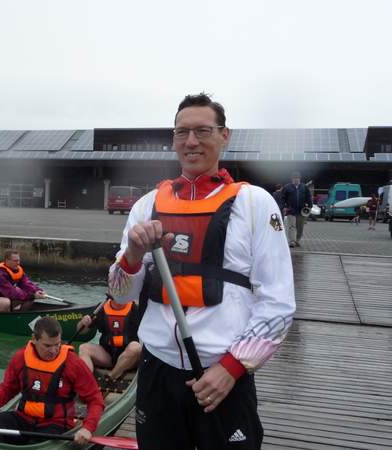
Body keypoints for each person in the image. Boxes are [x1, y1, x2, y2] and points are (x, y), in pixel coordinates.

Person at [106, 93, 296, 449]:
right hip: (157, 370)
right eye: (182, 132)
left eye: (203, 130)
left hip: (222, 375)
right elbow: (119, 295)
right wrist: (131, 253)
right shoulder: (147, 206)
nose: (191, 141)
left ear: (224, 136)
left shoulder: (255, 203)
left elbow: (279, 303)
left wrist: (231, 368)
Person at [0, 317, 104, 446]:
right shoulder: (20, 358)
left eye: (57, 344)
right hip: (24, 419)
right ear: (34, 339)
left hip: (56, 424)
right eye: (47, 345)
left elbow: (95, 399)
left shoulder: (73, 363)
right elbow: (8, 387)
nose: (53, 351)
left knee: (40, 444)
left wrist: (88, 427)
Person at [75, 295, 141, 382]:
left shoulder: (135, 309)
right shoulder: (101, 308)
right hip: (107, 355)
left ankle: (111, 376)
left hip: (129, 357)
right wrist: (83, 323)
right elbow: (81, 331)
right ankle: (87, 381)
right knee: (84, 348)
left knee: (136, 347)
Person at [283, 171, 312, 247]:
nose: (296, 180)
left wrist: (310, 206)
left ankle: (297, 240)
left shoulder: (304, 187)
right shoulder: (287, 187)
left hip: (301, 211)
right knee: (292, 226)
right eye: (294, 178)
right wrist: (284, 206)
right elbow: (283, 198)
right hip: (290, 210)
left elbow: (308, 197)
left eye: (297, 178)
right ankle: (292, 241)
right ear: (292, 179)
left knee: (300, 227)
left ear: (300, 179)